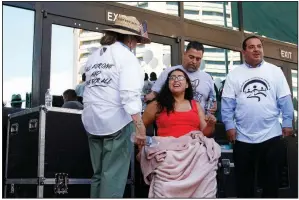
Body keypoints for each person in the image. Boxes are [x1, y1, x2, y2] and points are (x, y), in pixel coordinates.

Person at [81, 14, 150, 198]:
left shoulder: (94, 56)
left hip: (92, 121)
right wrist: (140, 125)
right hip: (116, 122)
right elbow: (129, 94)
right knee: (113, 178)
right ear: (129, 38)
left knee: (98, 175)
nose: (136, 44)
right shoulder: (127, 58)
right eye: (136, 39)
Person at [221, 36, 294, 198]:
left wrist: (287, 122)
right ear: (243, 52)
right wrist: (229, 126)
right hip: (242, 137)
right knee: (244, 184)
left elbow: (285, 99)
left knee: (271, 182)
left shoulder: (275, 71)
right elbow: (227, 104)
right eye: (252, 47)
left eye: (259, 46)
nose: (256, 49)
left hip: (271, 135)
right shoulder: (234, 74)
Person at [139, 68, 220, 198]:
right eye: (172, 78)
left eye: (180, 77)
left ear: (187, 84)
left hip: (194, 154)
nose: (176, 80)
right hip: (168, 155)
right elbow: (140, 126)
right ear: (168, 83)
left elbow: (206, 132)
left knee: (206, 157)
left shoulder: (195, 105)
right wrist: (142, 149)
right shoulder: (156, 105)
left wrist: (211, 124)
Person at [145, 41, 217, 114]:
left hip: (198, 122)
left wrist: (214, 107)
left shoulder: (207, 78)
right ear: (184, 54)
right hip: (171, 119)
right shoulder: (169, 72)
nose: (194, 61)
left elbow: (212, 101)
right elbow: (154, 95)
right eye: (191, 57)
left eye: (198, 59)